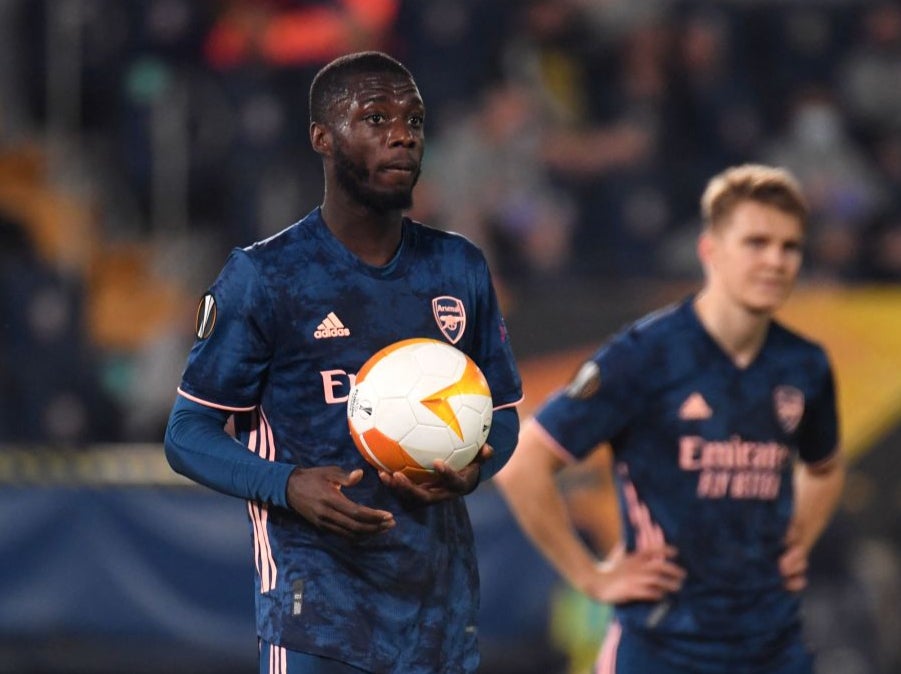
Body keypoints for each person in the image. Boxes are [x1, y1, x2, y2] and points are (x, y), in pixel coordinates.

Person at [164, 51, 523, 674]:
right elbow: (186, 434)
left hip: (440, 613)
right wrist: (287, 486)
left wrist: (472, 471)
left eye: (413, 119)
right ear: (322, 138)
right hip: (316, 614)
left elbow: (506, 415)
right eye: (376, 117)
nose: (403, 133)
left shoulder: (458, 267)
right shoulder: (266, 276)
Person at [495, 163, 846, 674]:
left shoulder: (805, 365)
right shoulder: (645, 355)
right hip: (664, 647)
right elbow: (523, 461)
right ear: (710, 250)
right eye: (756, 242)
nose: (775, 260)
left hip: (773, 646)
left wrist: (800, 538)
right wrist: (592, 578)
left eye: (789, 247)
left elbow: (825, 466)